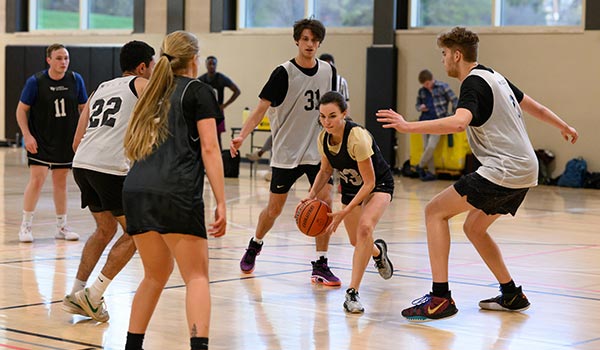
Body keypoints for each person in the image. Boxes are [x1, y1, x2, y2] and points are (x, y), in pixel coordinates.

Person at [376, 26, 578, 322]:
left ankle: (439, 298)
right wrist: (563, 126)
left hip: (504, 169)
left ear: (457, 55)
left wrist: (408, 127)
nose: (443, 60)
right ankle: (511, 294)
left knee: (434, 212)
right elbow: (536, 107)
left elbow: (459, 123)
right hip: (525, 169)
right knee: (473, 228)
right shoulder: (495, 77)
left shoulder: (472, 83)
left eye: (444, 54)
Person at [122, 31, 226, 350]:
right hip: (175, 191)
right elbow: (210, 148)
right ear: (194, 59)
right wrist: (222, 201)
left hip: (136, 189)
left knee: (155, 274)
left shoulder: (152, 90)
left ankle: (132, 346)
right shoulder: (199, 91)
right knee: (196, 276)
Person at [230, 18, 341, 285]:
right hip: (286, 152)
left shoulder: (329, 71)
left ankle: (321, 263)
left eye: (314, 40)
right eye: (305, 39)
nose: (310, 44)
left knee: (325, 205)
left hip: (317, 151)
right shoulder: (283, 73)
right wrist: (242, 135)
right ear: (296, 40)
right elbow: (260, 109)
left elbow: (334, 110)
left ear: (319, 43)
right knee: (274, 209)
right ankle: (255, 244)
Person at [61, 40, 155, 322]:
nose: (153, 71)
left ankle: (75, 292)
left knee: (104, 230)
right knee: (138, 234)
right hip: (108, 168)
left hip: (82, 164)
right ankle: (92, 296)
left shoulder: (100, 88)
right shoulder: (141, 84)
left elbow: (77, 141)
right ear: (142, 67)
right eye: (152, 65)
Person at [304, 91, 394, 313]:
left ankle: (352, 293)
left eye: (332, 116)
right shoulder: (323, 139)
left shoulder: (357, 137)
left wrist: (345, 211)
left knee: (365, 229)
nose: (327, 122)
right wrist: (311, 195)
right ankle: (377, 252)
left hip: (378, 185)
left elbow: (370, 182)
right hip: (352, 188)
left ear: (345, 113)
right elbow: (325, 170)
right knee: (358, 243)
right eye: (323, 117)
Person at [16, 43, 88, 243]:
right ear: (48, 60)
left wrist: (85, 134)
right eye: (58, 58)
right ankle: (26, 225)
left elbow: (84, 109)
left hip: (65, 139)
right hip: (40, 139)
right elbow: (21, 110)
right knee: (37, 179)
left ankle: (61, 226)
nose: (63, 62)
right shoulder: (36, 81)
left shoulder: (75, 79)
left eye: (66, 58)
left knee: (61, 182)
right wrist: (27, 135)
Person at [246, 52, 351, 163]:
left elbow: (346, 102)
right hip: (305, 120)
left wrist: (345, 117)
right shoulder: (297, 74)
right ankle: (263, 155)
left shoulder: (339, 81)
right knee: (281, 136)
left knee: (327, 151)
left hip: (324, 123)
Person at [414, 69, 458, 181]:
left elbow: (455, 100)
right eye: (424, 84)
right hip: (424, 121)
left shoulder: (443, 87)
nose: (426, 86)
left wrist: (452, 115)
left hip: (438, 121)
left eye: (427, 83)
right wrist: (421, 107)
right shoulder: (422, 91)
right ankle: (432, 172)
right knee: (426, 147)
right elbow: (417, 105)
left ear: (432, 79)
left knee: (431, 146)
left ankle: (419, 166)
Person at [198, 55, 241, 149]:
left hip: (217, 111)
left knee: (217, 137)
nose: (212, 66)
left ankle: (219, 158)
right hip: (205, 111)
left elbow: (237, 91)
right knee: (203, 136)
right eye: (210, 64)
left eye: (214, 64)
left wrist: (224, 105)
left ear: (216, 65)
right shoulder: (201, 80)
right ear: (206, 65)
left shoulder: (221, 78)